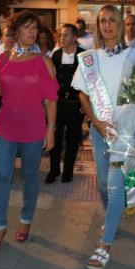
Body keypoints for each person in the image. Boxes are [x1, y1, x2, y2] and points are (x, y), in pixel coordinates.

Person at [72, 4, 135, 269]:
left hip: (125, 132)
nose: (107, 25)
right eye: (102, 21)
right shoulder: (90, 57)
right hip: (99, 130)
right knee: (104, 185)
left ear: (121, 23)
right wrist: (96, 122)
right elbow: (82, 94)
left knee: (115, 188)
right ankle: (112, 217)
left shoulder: (134, 56)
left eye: (112, 20)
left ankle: (104, 246)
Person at [0, 10, 58, 250]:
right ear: (15, 32)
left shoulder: (44, 61)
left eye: (36, 28)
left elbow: (51, 100)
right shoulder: (4, 60)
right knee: (3, 176)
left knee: (30, 177)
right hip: (5, 126)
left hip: (34, 127)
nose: (33, 32)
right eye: (27, 28)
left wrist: (51, 129)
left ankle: (25, 220)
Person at [46, 24, 85, 184]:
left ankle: (68, 171)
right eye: (60, 35)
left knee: (72, 139)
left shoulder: (84, 55)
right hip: (59, 103)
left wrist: (87, 103)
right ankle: (54, 169)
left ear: (74, 37)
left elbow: (90, 80)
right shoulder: (56, 55)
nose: (62, 38)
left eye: (66, 35)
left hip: (77, 104)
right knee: (55, 136)